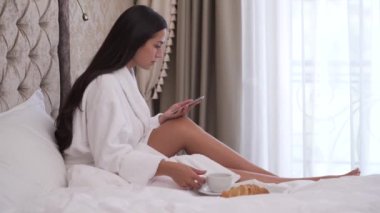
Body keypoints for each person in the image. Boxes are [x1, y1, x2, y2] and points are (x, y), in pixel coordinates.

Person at [55, 5, 360, 191]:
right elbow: (110, 155)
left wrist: (162, 118)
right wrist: (167, 168)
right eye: (156, 46)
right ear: (133, 40)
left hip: (122, 155)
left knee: (180, 126)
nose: (160, 55)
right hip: (101, 169)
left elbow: (122, 131)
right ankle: (293, 182)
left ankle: (286, 181)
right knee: (189, 140)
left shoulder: (124, 74)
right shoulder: (105, 85)